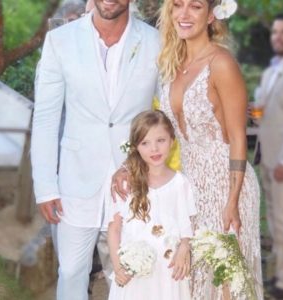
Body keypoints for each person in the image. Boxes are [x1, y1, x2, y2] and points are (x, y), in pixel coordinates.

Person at [112, 0, 263, 299]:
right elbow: (158, 131)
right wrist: (127, 165)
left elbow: (237, 138)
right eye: (177, 5)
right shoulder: (171, 64)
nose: (184, 14)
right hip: (190, 186)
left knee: (225, 284)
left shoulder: (222, 63)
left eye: (194, 7)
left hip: (226, 184)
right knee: (190, 280)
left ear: (210, 15)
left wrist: (232, 201)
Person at [30, 0, 160, 299]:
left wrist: (139, 163)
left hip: (133, 180)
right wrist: (46, 186)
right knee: (72, 271)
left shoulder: (156, 41)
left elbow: (164, 113)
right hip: (76, 181)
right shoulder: (60, 40)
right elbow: (46, 117)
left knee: (130, 271)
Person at [108, 110, 196, 300]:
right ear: (135, 147)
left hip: (168, 271)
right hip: (134, 272)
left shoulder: (180, 183)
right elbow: (114, 229)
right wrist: (118, 266)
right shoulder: (125, 184)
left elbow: (185, 226)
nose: (154, 149)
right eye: (145, 143)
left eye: (160, 140)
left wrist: (184, 248)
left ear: (172, 141)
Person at [253, 14, 283, 299]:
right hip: (268, 158)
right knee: (275, 221)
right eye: (275, 32)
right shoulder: (272, 71)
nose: (277, 37)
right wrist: (255, 113)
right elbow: (265, 113)